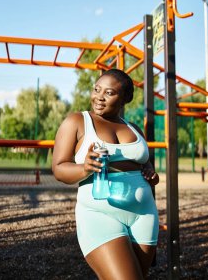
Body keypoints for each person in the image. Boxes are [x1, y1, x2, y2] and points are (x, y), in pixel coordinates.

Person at [52, 69, 159, 279]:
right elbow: (58, 169)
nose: (99, 97)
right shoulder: (77, 121)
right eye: (96, 89)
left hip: (144, 214)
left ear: (125, 99)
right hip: (100, 214)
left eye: (109, 93)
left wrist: (149, 171)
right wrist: (84, 168)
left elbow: (145, 162)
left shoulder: (134, 127)